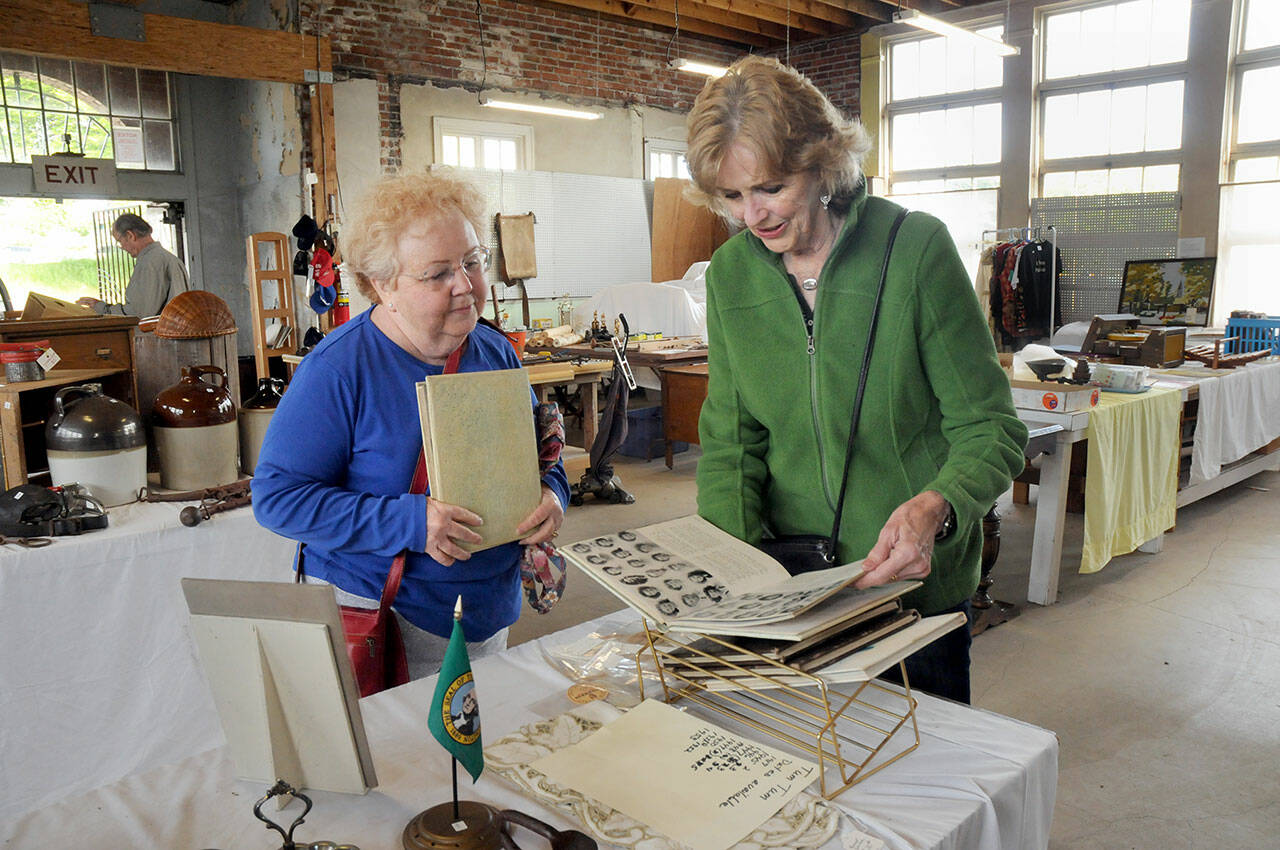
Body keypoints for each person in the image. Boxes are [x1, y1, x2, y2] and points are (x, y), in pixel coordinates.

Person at [685, 56, 1027, 703]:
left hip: (911, 593)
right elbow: (733, 445)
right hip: (796, 592)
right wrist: (733, 578)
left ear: (822, 162)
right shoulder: (730, 277)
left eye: (770, 187)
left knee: (916, 779)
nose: (752, 215)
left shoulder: (915, 250)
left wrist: (937, 508)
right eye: (731, 197)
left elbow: (991, 428)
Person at [252, 169, 568, 680]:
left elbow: (540, 452)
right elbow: (278, 498)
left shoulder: (492, 350)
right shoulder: (338, 369)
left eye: (472, 262)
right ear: (383, 286)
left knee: (474, 753)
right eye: (437, 273)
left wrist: (553, 496)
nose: (465, 286)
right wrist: (411, 523)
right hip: (386, 619)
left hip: (488, 611)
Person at [77, 213, 190, 316]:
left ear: (130, 235)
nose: (122, 248)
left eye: (119, 241)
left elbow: (138, 314)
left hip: (159, 336)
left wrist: (102, 308)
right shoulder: (171, 259)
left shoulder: (150, 263)